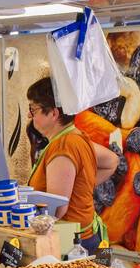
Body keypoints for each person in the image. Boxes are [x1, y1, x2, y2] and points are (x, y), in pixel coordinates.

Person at [26, 76, 119, 254]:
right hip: (86, 236)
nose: (30, 115)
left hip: (72, 244)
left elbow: (57, 209)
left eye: (33, 109)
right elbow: (111, 161)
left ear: (53, 113)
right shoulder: (77, 136)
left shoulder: (64, 146)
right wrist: (81, 185)